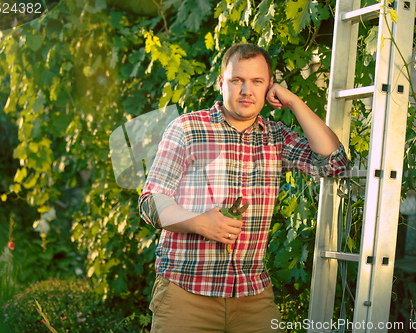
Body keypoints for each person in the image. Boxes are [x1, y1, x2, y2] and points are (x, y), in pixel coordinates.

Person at [138, 43, 348, 332]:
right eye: (237, 80)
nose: (246, 90)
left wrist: (294, 102)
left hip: (252, 296)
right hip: (185, 294)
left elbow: (333, 163)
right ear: (222, 82)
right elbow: (150, 202)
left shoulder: (276, 137)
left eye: (257, 81)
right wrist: (200, 222)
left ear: (269, 87)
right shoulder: (186, 129)